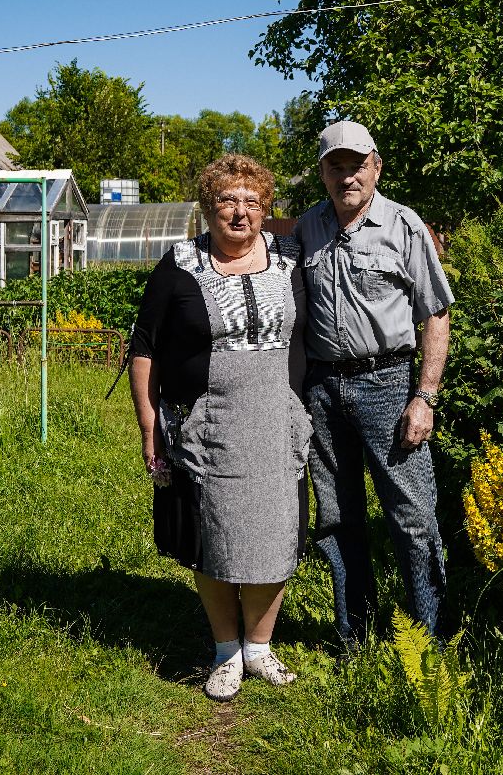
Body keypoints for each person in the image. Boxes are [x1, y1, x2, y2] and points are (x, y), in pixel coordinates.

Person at [127, 153, 309, 702]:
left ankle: (260, 647)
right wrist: (148, 422)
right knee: (215, 536)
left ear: (265, 208)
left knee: (276, 535)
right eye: (228, 200)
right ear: (208, 208)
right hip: (207, 425)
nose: (240, 211)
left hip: (277, 420)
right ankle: (226, 650)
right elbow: (145, 348)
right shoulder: (178, 265)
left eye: (252, 201)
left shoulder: (291, 258)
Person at [298, 120, 455, 644]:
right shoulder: (308, 229)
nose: (348, 177)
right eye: (336, 167)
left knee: (412, 517)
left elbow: (436, 312)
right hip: (322, 389)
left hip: (388, 385)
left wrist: (424, 397)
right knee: (338, 520)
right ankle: (354, 639)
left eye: (357, 166)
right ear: (322, 172)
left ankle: (428, 643)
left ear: (377, 166)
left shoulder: (404, 226)